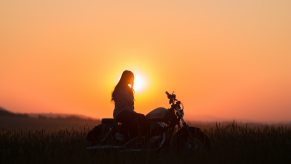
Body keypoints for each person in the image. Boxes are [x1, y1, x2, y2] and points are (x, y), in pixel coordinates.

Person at [112, 70, 147, 138]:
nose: (132, 80)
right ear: (125, 78)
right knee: (140, 117)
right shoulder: (119, 89)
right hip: (120, 113)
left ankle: (139, 137)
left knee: (142, 118)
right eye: (130, 78)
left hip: (128, 112)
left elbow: (131, 106)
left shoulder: (129, 90)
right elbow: (122, 103)